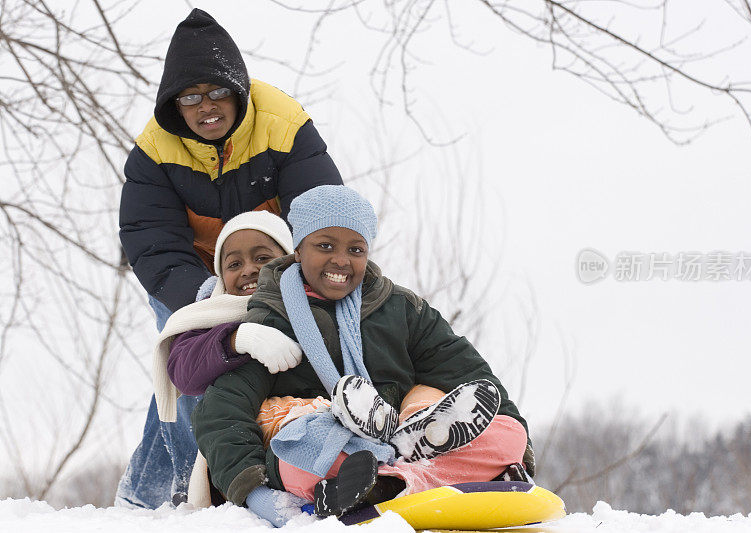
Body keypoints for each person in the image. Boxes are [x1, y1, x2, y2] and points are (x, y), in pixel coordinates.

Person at [191, 185, 536, 522]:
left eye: (356, 250)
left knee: (509, 433)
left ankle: (394, 482)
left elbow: (468, 372)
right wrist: (256, 493)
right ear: (297, 250)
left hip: (404, 440)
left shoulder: (402, 309)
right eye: (325, 245)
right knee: (300, 450)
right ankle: (410, 476)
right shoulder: (271, 317)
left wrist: (520, 453)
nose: (341, 260)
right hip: (329, 449)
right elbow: (222, 412)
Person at [116, 8, 342, 509]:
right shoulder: (154, 151)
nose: (206, 107)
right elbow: (150, 239)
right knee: (188, 370)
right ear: (176, 106)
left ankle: (312, 464)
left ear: (238, 89)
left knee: (300, 359)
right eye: (191, 98)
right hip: (194, 276)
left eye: (216, 92)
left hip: (278, 269)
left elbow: (320, 212)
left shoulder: (284, 124)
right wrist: (203, 299)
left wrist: (306, 280)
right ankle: (179, 495)